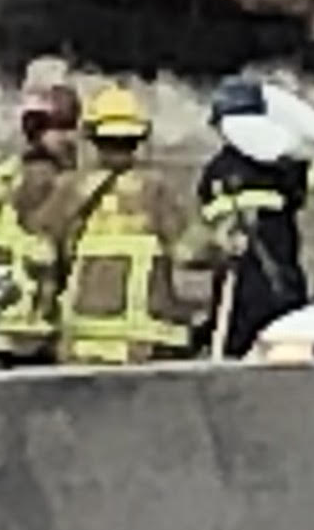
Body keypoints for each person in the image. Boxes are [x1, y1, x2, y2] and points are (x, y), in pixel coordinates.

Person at [51, 88, 216, 366]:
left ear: (92, 137)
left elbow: (45, 250)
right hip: (143, 343)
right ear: (139, 138)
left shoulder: (69, 189)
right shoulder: (155, 191)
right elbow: (190, 253)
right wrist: (223, 247)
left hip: (84, 340)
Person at [197, 72, 314, 359]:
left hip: (245, 289)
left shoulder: (217, 172)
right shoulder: (282, 169)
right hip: (270, 284)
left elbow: (201, 241)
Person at [0, 78, 84, 366]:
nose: (71, 138)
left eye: (72, 126)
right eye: (62, 127)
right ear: (38, 130)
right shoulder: (55, 182)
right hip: (39, 325)